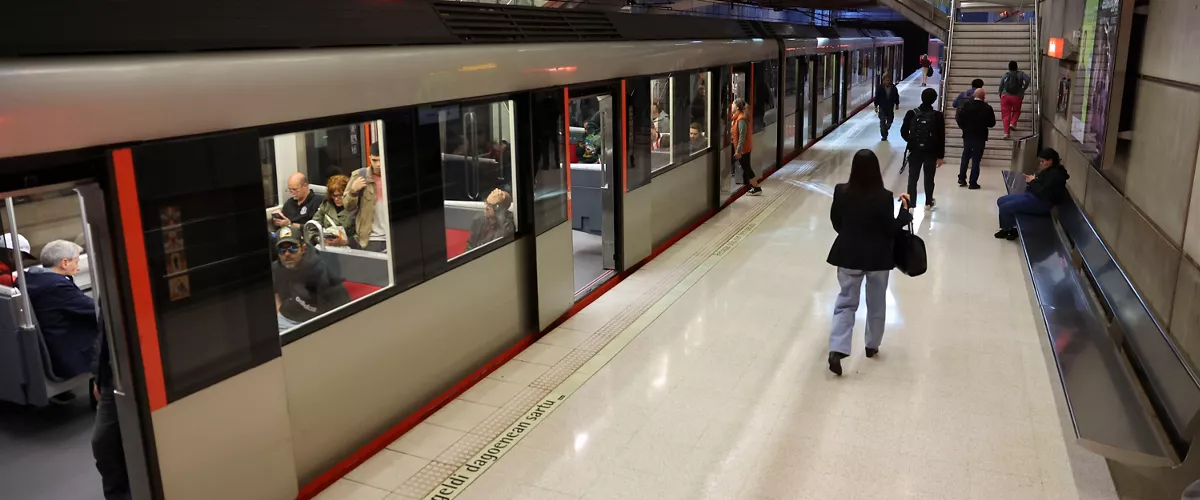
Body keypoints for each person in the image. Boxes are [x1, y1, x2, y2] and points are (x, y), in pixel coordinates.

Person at [826, 150, 913, 376]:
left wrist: (851, 235)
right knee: (876, 302)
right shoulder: (884, 197)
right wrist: (904, 214)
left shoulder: (841, 191)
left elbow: (836, 222)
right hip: (877, 258)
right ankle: (871, 345)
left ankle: (837, 349)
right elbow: (890, 230)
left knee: (845, 302)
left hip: (848, 255)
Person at [25, 240, 97, 379]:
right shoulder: (57, 286)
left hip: (53, 344)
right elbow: (94, 310)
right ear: (64, 263)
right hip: (69, 353)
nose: (78, 267)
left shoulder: (33, 278)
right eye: (76, 262)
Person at [272, 226, 351, 332]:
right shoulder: (277, 267)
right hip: (285, 317)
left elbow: (344, 309)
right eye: (282, 250)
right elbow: (275, 291)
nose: (287, 254)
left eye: (293, 248)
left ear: (303, 248)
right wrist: (279, 310)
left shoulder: (321, 272)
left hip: (312, 325)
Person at [92, 315, 132, 500]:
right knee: (103, 442)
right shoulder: (108, 290)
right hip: (112, 377)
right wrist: (98, 378)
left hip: (142, 374)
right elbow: (103, 335)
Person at [995, 148, 1069, 240]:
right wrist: (1033, 180)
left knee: (1005, 207)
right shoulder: (1049, 170)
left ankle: (1008, 229)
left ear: (1050, 161)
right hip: (1033, 196)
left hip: (1042, 203)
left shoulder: (1056, 175)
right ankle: (1010, 227)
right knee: (1001, 201)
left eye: (1042, 161)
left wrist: (1033, 181)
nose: (1041, 164)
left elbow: (1043, 192)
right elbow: (1040, 184)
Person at [900, 88, 946, 210]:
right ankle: (928, 202)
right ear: (934, 100)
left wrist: (912, 142)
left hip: (915, 151)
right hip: (931, 152)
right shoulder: (938, 116)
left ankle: (911, 203)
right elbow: (941, 137)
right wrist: (940, 156)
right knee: (929, 178)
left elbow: (903, 131)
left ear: (921, 97)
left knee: (912, 178)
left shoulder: (912, 113)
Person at [346, 144, 388, 252]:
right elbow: (347, 206)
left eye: (381, 160)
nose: (378, 164)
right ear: (369, 158)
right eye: (374, 160)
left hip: (394, 237)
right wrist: (353, 191)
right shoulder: (359, 175)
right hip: (371, 239)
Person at [955, 88, 996, 190]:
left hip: (968, 135)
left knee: (965, 156)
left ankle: (962, 178)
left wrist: (964, 128)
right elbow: (992, 123)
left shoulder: (966, 106)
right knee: (976, 159)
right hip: (980, 136)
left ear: (973, 95)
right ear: (983, 97)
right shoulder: (987, 108)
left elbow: (959, 118)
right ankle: (973, 183)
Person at [311, 174, 354, 248]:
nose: (336, 199)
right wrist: (320, 239)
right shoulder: (326, 206)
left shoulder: (355, 208)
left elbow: (362, 236)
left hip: (350, 250)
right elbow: (312, 228)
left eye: (340, 195)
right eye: (334, 196)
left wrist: (345, 242)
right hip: (327, 247)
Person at [731, 98, 762, 195]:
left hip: (743, 149)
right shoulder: (738, 118)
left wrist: (738, 151)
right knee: (746, 167)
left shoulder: (741, 120)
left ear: (737, 107)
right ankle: (755, 187)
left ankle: (756, 188)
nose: (731, 106)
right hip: (744, 148)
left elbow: (742, 137)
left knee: (747, 168)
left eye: (732, 104)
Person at [999, 60, 1031, 139]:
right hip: (1017, 96)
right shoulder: (1021, 74)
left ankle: (1006, 133)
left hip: (1005, 96)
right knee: (1017, 110)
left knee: (1006, 115)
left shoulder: (1006, 75)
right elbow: (1028, 79)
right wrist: (1023, 88)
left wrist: (1001, 95)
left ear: (1009, 67)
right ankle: (1012, 123)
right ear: (1017, 67)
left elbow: (1001, 86)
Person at [874, 74, 900, 141]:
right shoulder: (880, 88)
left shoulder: (893, 88)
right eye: (886, 80)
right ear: (883, 80)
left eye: (889, 80)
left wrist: (897, 104)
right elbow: (877, 97)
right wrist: (876, 106)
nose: (888, 81)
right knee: (882, 121)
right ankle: (884, 136)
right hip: (882, 107)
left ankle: (885, 128)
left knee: (889, 122)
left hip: (890, 108)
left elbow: (896, 96)